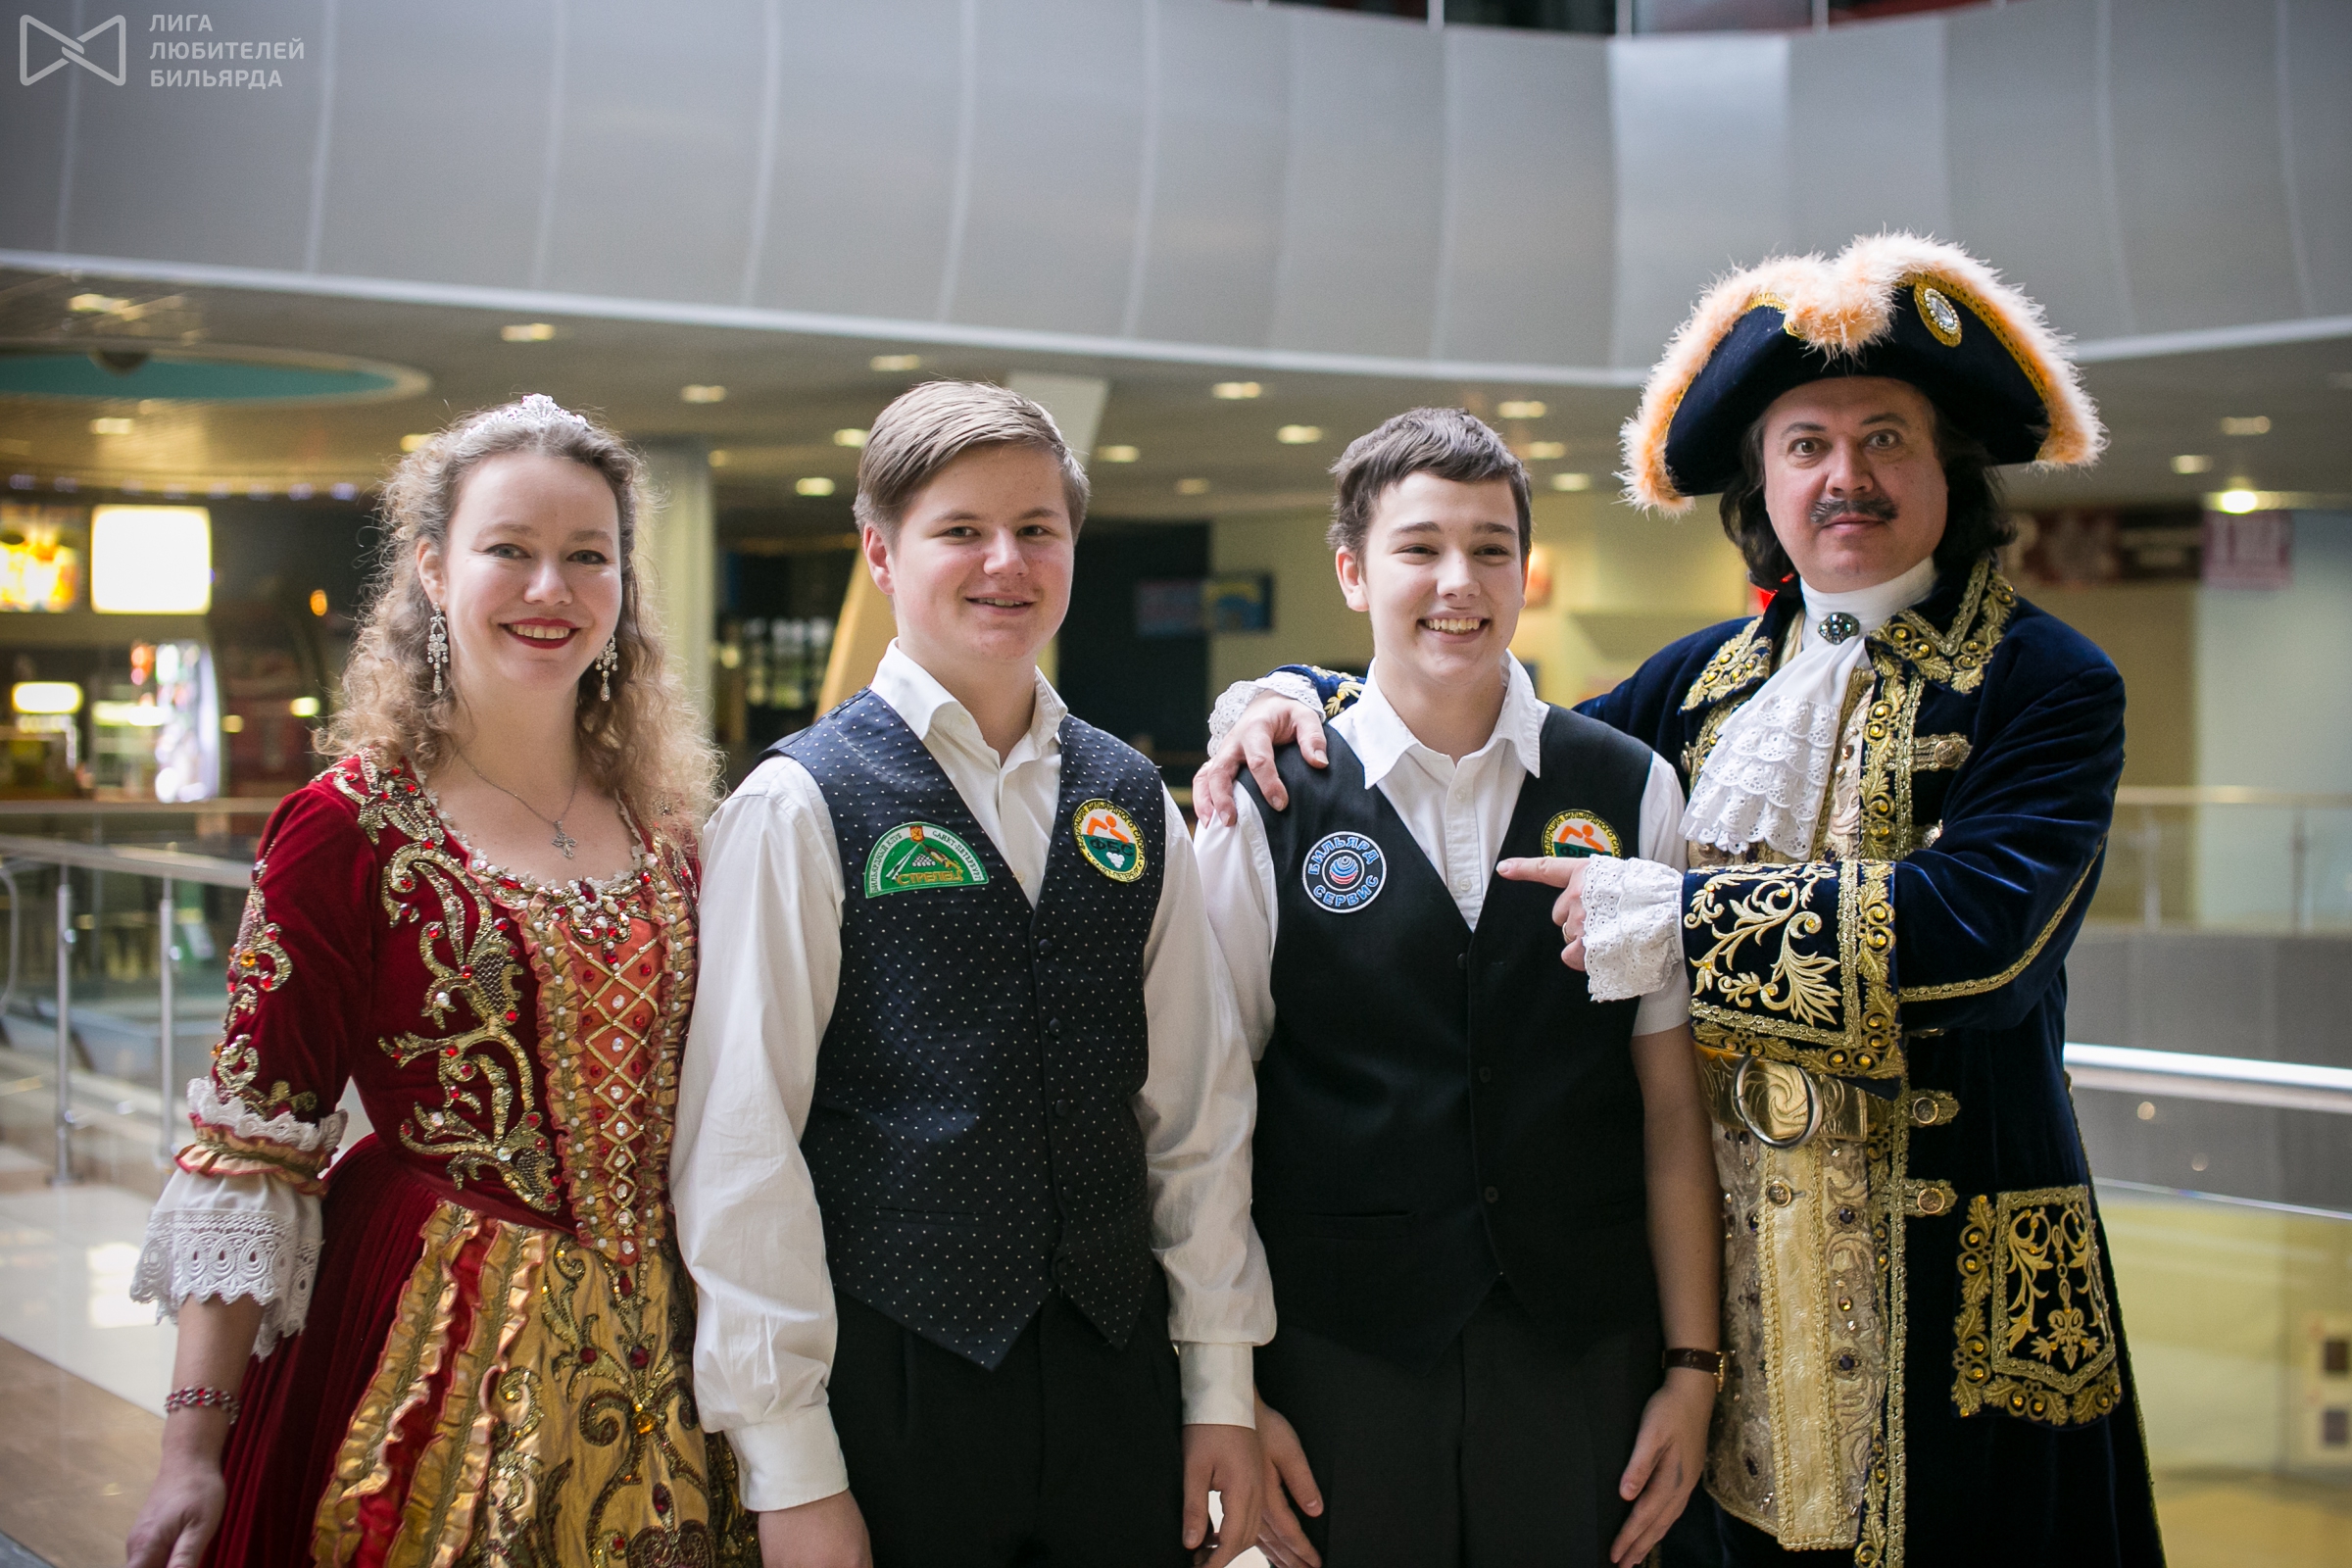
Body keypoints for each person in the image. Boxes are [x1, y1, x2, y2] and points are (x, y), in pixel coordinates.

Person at [1199, 235, 2166, 1568]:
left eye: (1885, 439)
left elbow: (1984, 935)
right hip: (1732, 1287)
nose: (1844, 476)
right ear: (1763, 484)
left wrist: (1679, 920)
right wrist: (1297, 694)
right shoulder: (1703, 683)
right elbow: (1477, 726)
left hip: (1945, 1272)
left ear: (1950, 470)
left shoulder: (2046, 680)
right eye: (1806, 445)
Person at [124, 394, 757, 1565]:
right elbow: (256, 1145)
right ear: (431, 568)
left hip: (680, 1353)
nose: (550, 588)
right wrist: (191, 1448)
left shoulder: (672, 828)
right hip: (432, 1354)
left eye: (588, 556)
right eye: (509, 549)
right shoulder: (347, 827)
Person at [671, 379, 1271, 1568]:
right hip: (895, 1382)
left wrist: (1219, 1386)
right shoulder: (798, 804)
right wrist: (789, 1466)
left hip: (1117, 1375)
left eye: (1037, 528)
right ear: (880, 552)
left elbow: (1197, 1116)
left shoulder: (1131, 797)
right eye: (961, 529)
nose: (1007, 561)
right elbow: (741, 1149)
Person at [1196, 409, 1720, 1568]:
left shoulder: (1632, 787)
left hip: (1583, 1351)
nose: (1459, 582)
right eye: (1419, 548)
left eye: (1491, 548)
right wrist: (1226, 1389)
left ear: (1523, 568)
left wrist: (1692, 1366)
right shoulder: (1264, 803)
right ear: (1352, 572)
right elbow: (1206, 1119)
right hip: (1339, 1354)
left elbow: (1669, 1109)